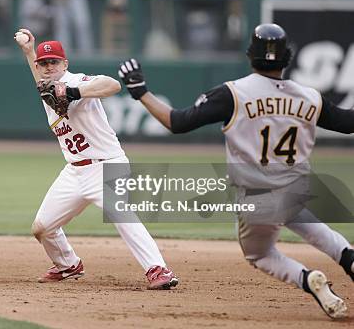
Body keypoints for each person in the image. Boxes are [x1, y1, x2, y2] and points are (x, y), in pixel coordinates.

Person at [117, 23, 354, 319]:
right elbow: (348, 123)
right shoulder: (310, 97)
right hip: (296, 189)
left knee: (261, 254)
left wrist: (141, 92)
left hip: (257, 196)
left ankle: (308, 279)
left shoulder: (233, 94)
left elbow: (177, 122)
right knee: (310, 224)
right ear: (287, 58)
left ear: (250, 56)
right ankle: (349, 257)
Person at [14, 27, 178, 289]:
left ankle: (158, 269)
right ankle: (68, 264)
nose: (47, 67)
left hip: (107, 165)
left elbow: (112, 85)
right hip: (74, 172)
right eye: (43, 63)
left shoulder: (76, 80)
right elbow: (42, 83)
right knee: (42, 228)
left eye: (53, 62)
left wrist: (74, 92)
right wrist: (28, 51)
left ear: (64, 63)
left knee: (122, 216)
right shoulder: (47, 88)